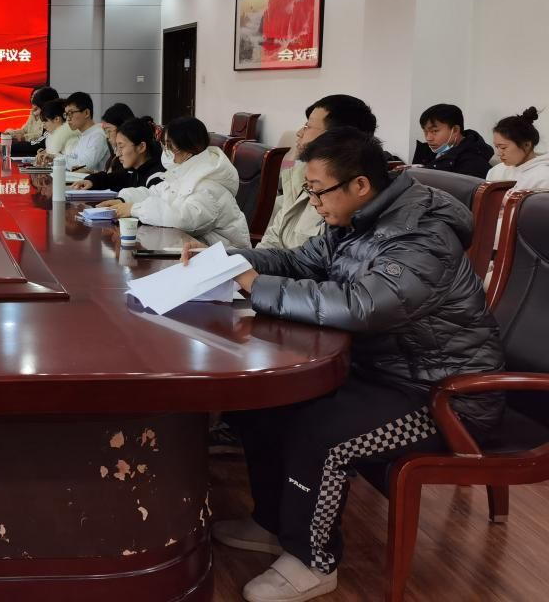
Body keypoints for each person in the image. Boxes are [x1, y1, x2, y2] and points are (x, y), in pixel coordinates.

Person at [209, 129, 503, 602]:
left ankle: (313, 561)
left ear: (360, 185)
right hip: (383, 371)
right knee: (265, 404)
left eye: (318, 191)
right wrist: (225, 261)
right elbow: (300, 262)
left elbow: (364, 305)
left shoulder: (422, 236)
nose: (313, 202)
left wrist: (256, 286)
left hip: (445, 394)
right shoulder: (356, 220)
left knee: (321, 433)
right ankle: (273, 521)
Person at [102, 116, 250, 247]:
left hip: (225, 258)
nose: (165, 150)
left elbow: (185, 220)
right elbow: (156, 192)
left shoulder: (208, 184)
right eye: (164, 145)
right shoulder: (184, 171)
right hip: (193, 250)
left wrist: (134, 209)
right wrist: (124, 200)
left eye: (169, 145)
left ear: (187, 147)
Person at [260, 95, 379, 251]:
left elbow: (319, 262)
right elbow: (272, 242)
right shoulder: (299, 179)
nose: (299, 133)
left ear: (334, 137)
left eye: (308, 126)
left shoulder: (345, 200)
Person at [72, 116, 162, 192]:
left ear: (141, 147)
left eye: (121, 146)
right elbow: (112, 178)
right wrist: (91, 181)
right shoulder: (133, 173)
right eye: (117, 147)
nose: (118, 154)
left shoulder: (157, 179)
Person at [411, 103, 493, 178]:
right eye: (425, 132)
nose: (428, 138)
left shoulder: (473, 162)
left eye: (435, 131)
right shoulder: (426, 151)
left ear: (455, 130)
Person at [486, 107, 549, 192]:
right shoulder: (495, 171)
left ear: (527, 145)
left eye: (503, 147)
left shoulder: (544, 177)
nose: (499, 153)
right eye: (497, 147)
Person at [60, 92, 112, 173]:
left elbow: (83, 166)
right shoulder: (84, 134)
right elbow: (72, 156)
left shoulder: (98, 135)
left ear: (86, 113)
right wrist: (53, 157)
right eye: (66, 114)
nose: (68, 119)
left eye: (71, 113)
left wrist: (57, 160)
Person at [3, 86, 59, 156]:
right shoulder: (38, 115)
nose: (44, 125)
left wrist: (9, 146)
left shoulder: (54, 121)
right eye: (32, 97)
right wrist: (11, 134)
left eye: (39, 107)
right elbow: (25, 130)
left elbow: (38, 144)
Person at [34, 97, 79, 166]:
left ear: (57, 119)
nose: (43, 126)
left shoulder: (72, 139)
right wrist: (46, 153)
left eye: (46, 121)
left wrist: (54, 157)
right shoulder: (57, 139)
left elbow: (75, 164)